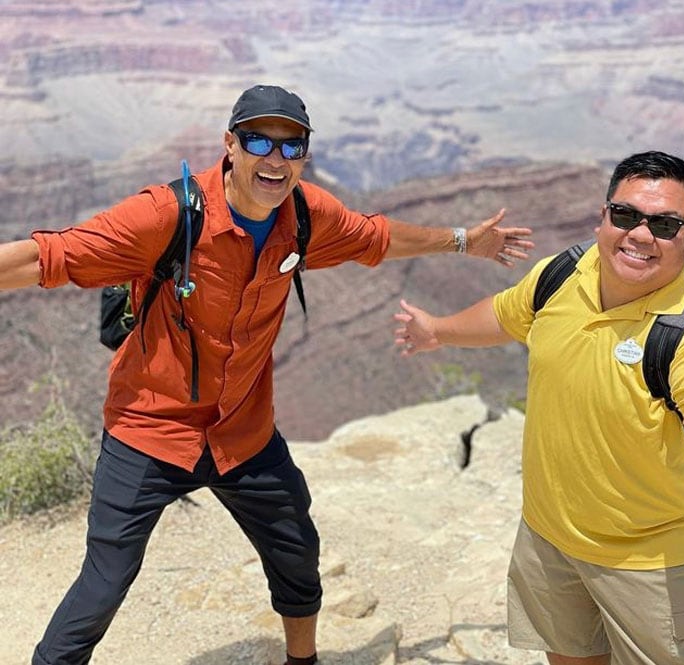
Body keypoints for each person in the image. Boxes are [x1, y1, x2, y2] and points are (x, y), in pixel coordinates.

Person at [0, 83, 535, 665]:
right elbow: (44, 257)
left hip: (242, 432)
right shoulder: (168, 215)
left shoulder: (306, 215)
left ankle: (302, 661)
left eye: (291, 145)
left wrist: (464, 241)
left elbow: (378, 237)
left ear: (304, 156)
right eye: (259, 141)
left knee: (297, 553)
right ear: (230, 145)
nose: (275, 158)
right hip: (150, 430)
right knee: (103, 585)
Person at [393, 151, 684, 665]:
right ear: (603, 217)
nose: (641, 235)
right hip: (549, 536)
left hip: (649, 563)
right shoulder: (564, 274)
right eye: (625, 215)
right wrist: (437, 331)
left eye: (665, 225)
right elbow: (507, 313)